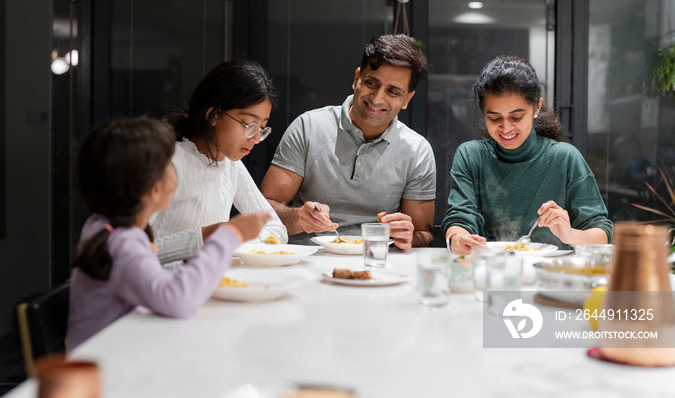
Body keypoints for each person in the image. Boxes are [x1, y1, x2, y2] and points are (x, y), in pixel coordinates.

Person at [67, 117, 269, 350]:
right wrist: (230, 233)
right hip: (107, 371)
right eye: (168, 165)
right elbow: (176, 300)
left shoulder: (106, 227)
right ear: (153, 189)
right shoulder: (121, 242)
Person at [260, 34, 436, 250]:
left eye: (392, 91)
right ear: (357, 79)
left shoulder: (417, 150)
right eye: (372, 83)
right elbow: (262, 210)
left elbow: (424, 234)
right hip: (308, 258)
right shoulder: (309, 126)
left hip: (378, 261)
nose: (377, 98)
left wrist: (409, 236)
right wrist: (298, 218)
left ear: (407, 99)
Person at [442, 55, 613, 254]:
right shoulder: (471, 156)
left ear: (537, 107)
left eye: (516, 117)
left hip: (550, 273)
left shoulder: (565, 158)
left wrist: (570, 235)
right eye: (494, 117)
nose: (506, 128)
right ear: (483, 112)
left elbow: (602, 232)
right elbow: (459, 218)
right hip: (490, 271)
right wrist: (458, 238)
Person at [151, 59, 287, 268]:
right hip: (160, 289)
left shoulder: (230, 164)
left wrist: (231, 242)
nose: (256, 138)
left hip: (208, 285)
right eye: (249, 125)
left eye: (262, 127)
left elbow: (276, 229)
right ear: (213, 115)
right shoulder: (167, 162)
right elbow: (131, 255)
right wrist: (205, 237)